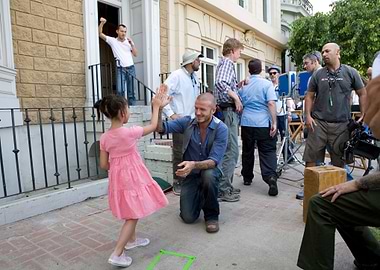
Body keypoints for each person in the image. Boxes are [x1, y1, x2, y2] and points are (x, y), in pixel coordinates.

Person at [297, 74, 380, 270]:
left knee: (322, 203)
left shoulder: (349, 74)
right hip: (323, 124)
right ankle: (371, 257)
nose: (366, 117)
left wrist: (356, 183)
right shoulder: (318, 77)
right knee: (337, 197)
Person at [96, 86, 170, 267]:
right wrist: (156, 106)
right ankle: (117, 253)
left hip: (117, 178)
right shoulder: (129, 132)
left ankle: (132, 240)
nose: (128, 112)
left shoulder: (105, 137)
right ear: (122, 113)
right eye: (127, 109)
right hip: (133, 177)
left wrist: (119, 167)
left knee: (130, 207)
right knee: (133, 213)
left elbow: (104, 164)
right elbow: (153, 126)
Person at [157, 93, 228, 233]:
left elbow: (214, 161)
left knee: (208, 176)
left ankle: (211, 215)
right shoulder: (187, 122)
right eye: (196, 108)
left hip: (210, 172)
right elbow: (160, 129)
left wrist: (193, 164)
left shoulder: (221, 129)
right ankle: (201, 195)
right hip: (192, 174)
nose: (198, 112)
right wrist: (159, 109)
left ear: (213, 110)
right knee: (188, 217)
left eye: (202, 109)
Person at [303, 43, 367, 168]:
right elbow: (309, 96)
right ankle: (310, 187)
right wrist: (308, 117)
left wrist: (364, 114)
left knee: (339, 163)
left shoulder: (350, 72)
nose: (324, 54)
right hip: (319, 123)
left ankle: (338, 187)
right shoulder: (318, 74)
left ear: (337, 53)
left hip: (342, 125)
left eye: (327, 51)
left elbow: (363, 94)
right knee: (310, 159)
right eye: (322, 52)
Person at [163, 50, 203, 195]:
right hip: (181, 122)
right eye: (198, 60)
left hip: (194, 120)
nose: (200, 62)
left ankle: (191, 180)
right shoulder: (176, 76)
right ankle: (178, 181)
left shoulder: (194, 77)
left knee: (193, 151)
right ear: (192, 62)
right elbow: (161, 94)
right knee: (179, 152)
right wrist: (171, 114)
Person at [239, 59, 279, 196]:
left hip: (246, 122)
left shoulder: (244, 86)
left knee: (247, 150)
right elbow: (271, 104)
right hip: (262, 122)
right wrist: (274, 122)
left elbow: (239, 101)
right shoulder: (267, 84)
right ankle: (270, 177)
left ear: (249, 70)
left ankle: (247, 177)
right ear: (261, 69)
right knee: (267, 150)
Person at [214, 38, 244, 202]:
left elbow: (224, 84)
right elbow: (220, 82)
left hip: (226, 111)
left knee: (228, 150)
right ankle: (223, 189)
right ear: (232, 50)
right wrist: (236, 98)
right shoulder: (227, 63)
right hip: (228, 112)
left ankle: (226, 186)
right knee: (231, 151)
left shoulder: (223, 64)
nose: (239, 55)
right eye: (239, 52)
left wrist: (237, 87)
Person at [296, 51, 323, 200]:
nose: (305, 66)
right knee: (315, 156)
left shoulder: (319, 76)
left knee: (312, 156)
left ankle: (311, 189)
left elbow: (312, 98)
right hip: (317, 119)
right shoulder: (315, 76)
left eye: (307, 63)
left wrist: (308, 116)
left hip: (317, 120)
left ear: (315, 62)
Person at [99, 17, 138, 105]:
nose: (123, 33)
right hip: (120, 69)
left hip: (131, 68)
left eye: (125, 31)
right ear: (117, 31)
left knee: (131, 91)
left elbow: (135, 54)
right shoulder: (113, 41)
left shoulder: (128, 42)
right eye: (121, 31)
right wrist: (102, 23)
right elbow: (100, 34)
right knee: (120, 90)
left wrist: (132, 44)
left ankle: (132, 109)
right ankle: (122, 107)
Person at [269, 65, 295, 164]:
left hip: (282, 113)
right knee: (272, 136)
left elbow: (288, 98)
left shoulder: (283, 85)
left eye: (274, 73)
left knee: (285, 135)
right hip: (272, 114)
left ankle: (287, 157)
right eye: (270, 73)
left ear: (278, 74)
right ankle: (273, 157)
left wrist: (289, 113)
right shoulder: (268, 86)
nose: (272, 75)